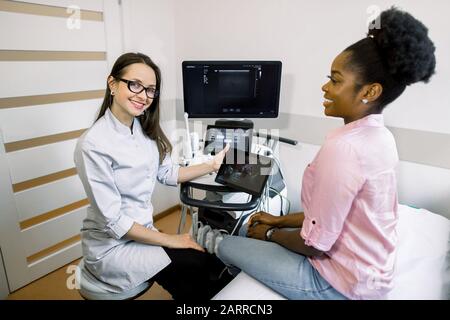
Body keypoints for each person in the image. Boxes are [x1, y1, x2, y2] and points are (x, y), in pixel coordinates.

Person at [216, 7, 436, 300]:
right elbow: (334, 214)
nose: (325, 87)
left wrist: (268, 235)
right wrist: (277, 221)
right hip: (370, 273)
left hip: (340, 284)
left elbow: (316, 244)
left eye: (335, 80)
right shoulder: (381, 137)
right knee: (252, 229)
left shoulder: (343, 149)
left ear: (369, 92)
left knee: (227, 243)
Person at [74, 52, 230, 299]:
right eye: (134, 84)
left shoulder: (145, 129)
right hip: (113, 246)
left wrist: (211, 166)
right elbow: (115, 222)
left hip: (142, 232)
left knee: (210, 264)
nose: (143, 95)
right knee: (193, 267)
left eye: (150, 89)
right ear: (112, 84)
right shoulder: (93, 145)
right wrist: (170, 239)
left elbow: (167, 173)